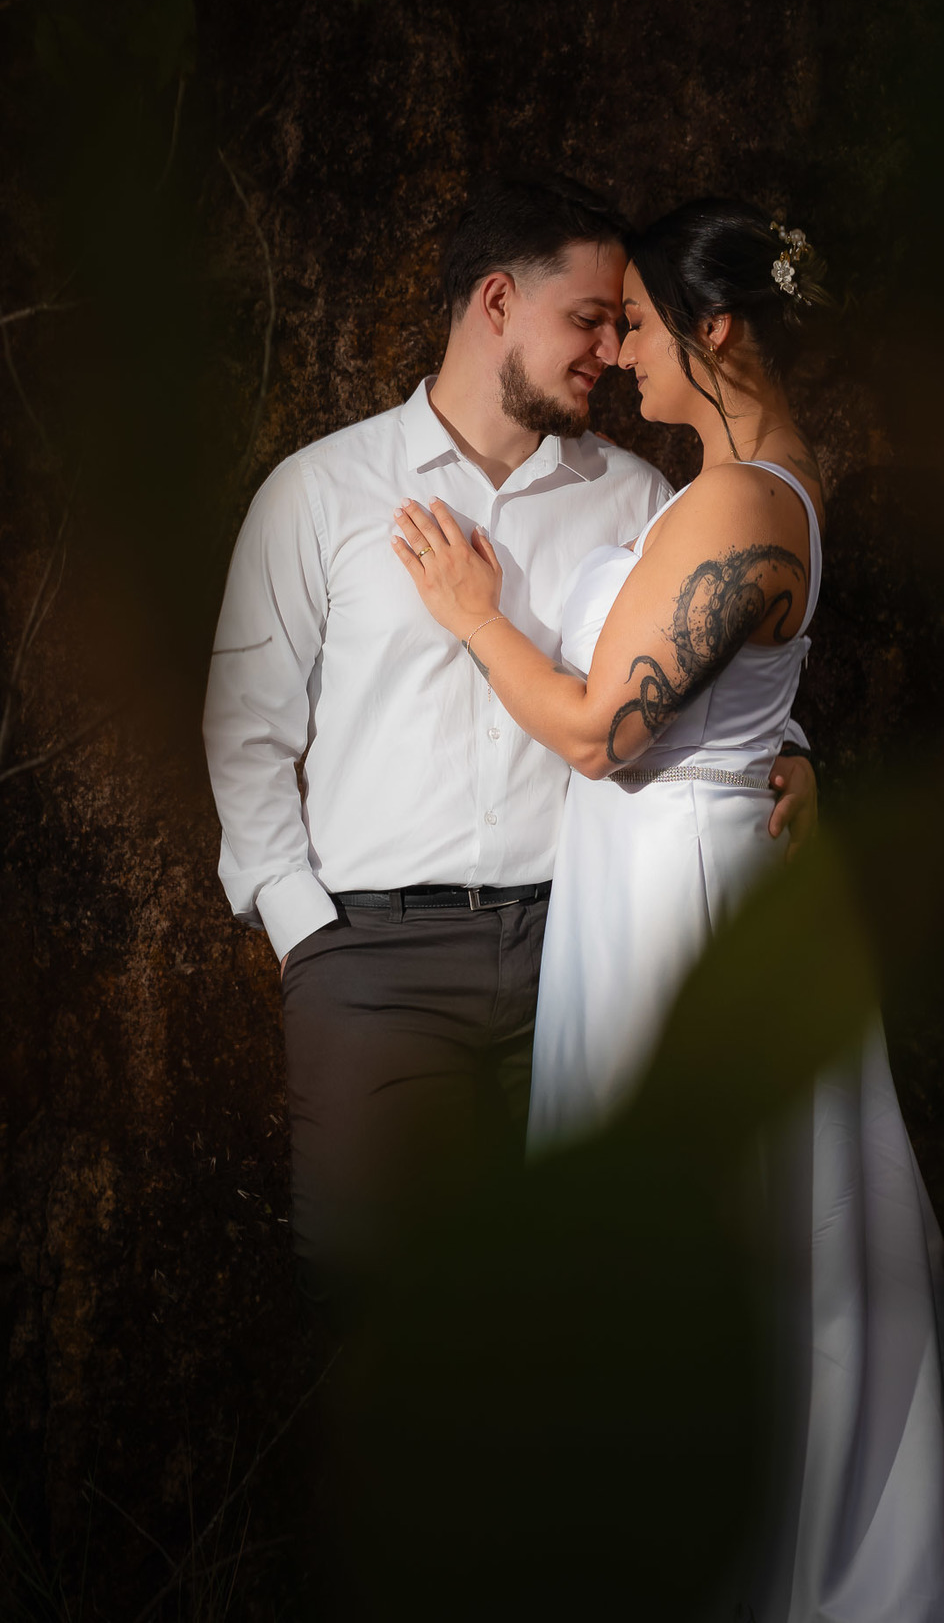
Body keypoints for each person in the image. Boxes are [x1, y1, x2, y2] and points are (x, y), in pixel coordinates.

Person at [393, 197, 944, 1622]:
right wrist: (793, 754)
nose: (625, 352)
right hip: (676, 869)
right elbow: (738, 698)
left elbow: (610, 733)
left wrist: (474, 611)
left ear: (718, 329)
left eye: (646, 326)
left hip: (684, 904)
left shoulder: (738, 500)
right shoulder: (759, 474)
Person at [201, 172, 815, 1287]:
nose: (612, 350)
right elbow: (245, 733)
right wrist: (312, 937)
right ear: (496, 304)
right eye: (590, 318)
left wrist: (796, 749)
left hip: (580, 949)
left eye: (625, 324)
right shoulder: (318, 493)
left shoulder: (638, 498)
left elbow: (709, 653)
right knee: (382, 1304)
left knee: (575, 1298)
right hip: (375, 961)